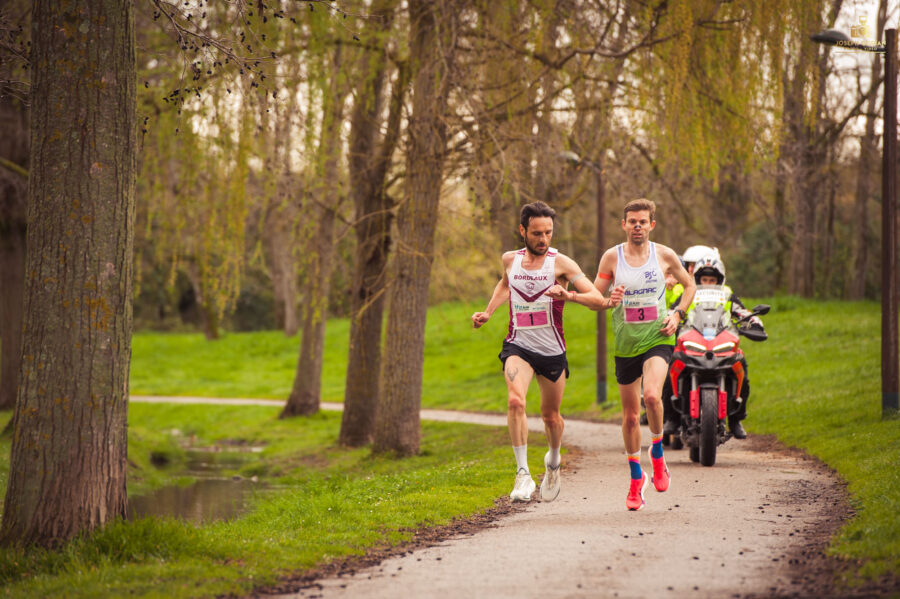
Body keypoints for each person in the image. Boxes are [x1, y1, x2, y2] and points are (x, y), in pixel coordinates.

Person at [472, 201, 624, 503]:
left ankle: (553, 461)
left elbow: (596, 297)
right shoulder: (509, 260)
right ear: (522, 231)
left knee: (551, 417)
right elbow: (505, 285)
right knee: (516, 401)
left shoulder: (562, 264)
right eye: (537, 233)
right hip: (518, 344)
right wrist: (489, 312)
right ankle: (523, 474)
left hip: (552, 351)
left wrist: (568, 295)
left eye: (548, 233)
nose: (543, 239)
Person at [594, 198, 695, 511]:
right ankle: (637, 478)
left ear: (652, 225)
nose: (637, 226)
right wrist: (608, 298)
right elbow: (595, 295)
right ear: (624, 225)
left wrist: (677, 314)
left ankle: (657, 452)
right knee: (628, 417)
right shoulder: (612, 257)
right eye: (631, 221)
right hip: (626, 345)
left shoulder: (663, 255)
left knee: (651, 396)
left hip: (657, 337)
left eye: (642, 221)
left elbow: (689, 286)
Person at [681, 253, 765, 439]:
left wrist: (756, 323)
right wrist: (669, 320)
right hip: (694, 340)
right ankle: (671, 418)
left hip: (722, 340)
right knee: (673, 362)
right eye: (704, 279)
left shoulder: (727, 294)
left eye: (712, 279)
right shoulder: (689, 291)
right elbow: (674, 309)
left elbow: (743, 312)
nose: (708, 283)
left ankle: (735, 419)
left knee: (741, 365)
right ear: (697, 279)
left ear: (719, 280)